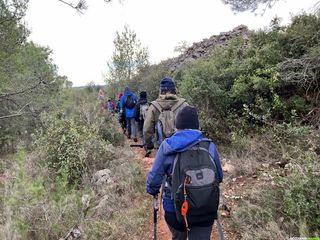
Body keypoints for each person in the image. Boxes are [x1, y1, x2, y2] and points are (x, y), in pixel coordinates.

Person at [146, 106, 223, 240]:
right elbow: (219, 177)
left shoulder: (167, 146)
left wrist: (152, 190)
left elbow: (154, 179)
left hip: (175, 208)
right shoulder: (209, 146)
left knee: (178, 236)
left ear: (178, 125)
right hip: (205, 207)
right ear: (197, 126)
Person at [143, 77, 188, 153]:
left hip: (162, 148)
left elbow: (147, 129)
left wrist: (149, 145)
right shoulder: (184, 105)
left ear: (161, 90)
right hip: (182, 147)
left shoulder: (153, 107)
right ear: (174, 89)